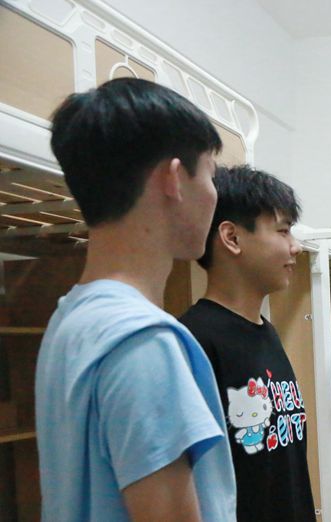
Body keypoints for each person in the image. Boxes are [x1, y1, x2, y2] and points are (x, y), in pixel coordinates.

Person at [35, 78, 235, 520]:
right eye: (210, 174)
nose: (214, 195)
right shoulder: (143, 342)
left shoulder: (70, 320)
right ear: (173, 179)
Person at [179, 165, 316, 521]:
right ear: (232, 237)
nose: (296, 246)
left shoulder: (266, 333)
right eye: (283, 231)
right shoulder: (193, 341)